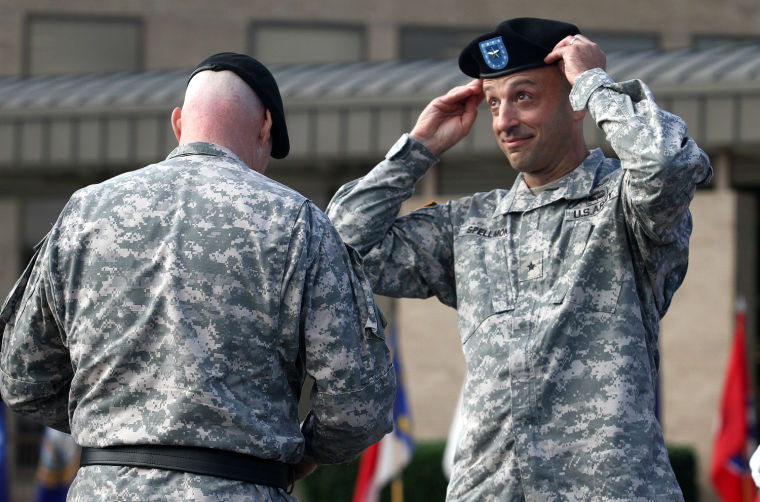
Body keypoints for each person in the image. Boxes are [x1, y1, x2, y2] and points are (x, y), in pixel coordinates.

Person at [326, 17, 712, 501]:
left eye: (524, 97)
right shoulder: (469, 224)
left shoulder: (627, 205)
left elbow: (665, 164)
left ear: (575, 104)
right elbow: (337, 247)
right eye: (493, 103)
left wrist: (596, 84)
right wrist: (418, 150)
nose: (504, 121)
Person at [0, 52, 395, 501]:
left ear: (178, 122)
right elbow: (359, 405)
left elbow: (22, 378)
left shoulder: (84, 214)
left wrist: (119, 429)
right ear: (266, 127)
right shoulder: (299, 223)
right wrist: (297, 453)